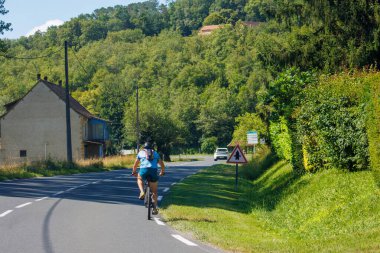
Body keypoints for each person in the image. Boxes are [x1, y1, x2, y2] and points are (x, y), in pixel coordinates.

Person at [132, 141, 165, 215]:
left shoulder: (141, 153)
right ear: (152, 148)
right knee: (154, 192)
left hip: (144, 170)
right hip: (153, 171)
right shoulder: (155, 153)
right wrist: (162, 171)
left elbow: (135, 164)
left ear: (144, 147)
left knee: (139, 178)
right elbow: (162, 164)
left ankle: (142, 192)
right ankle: (155, 208)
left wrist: (134, 172)